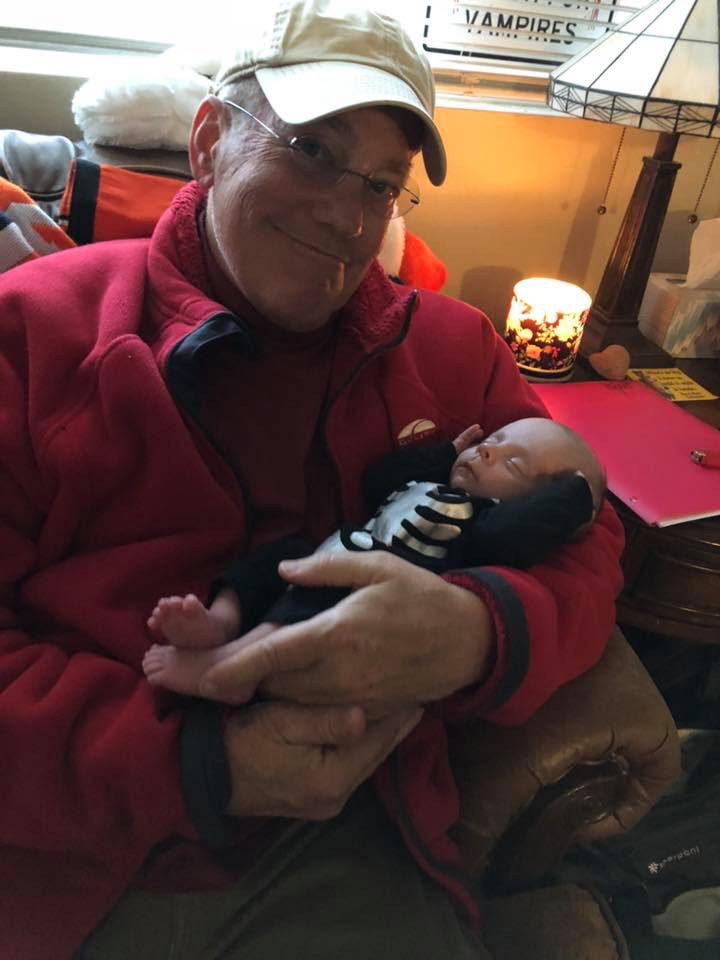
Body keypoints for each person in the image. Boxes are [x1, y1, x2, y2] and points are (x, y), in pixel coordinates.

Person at [0, 2, 625, 958]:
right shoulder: (34, 329)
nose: (348, 214)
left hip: (343, 849)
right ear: (209, 143)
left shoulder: (454, 350)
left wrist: (481, 630)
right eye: (313, 151)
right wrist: (201, 761)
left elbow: (586, 529)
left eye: (383, 182)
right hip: (69, 859)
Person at [143, 417, 606, 700]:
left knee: (316, 603)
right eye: (496, 437)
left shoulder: (485, 524)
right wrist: (446, 452)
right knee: (275, 558)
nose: (488, 448)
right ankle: (221, 621)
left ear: (535, 504)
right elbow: (376, 480)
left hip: (369, 589)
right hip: (334, 549)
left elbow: (511, 539)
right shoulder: (431, 482)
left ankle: (232, 667)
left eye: (513, 464)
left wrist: (571, 497)